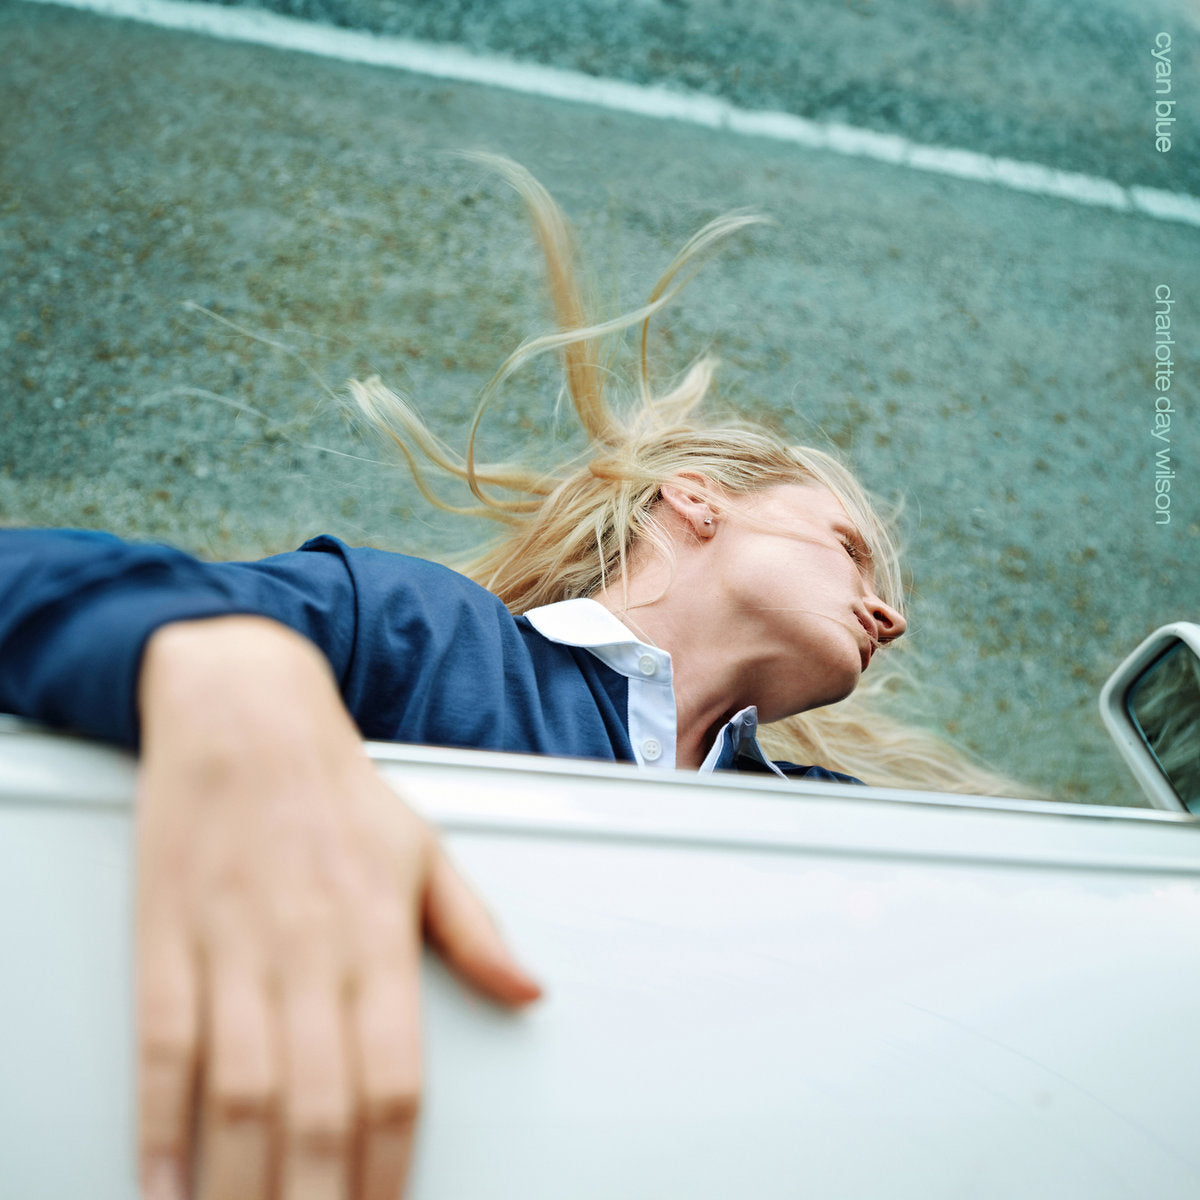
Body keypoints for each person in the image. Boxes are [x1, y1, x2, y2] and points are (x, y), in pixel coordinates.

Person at [0, 156, 1010, 1200]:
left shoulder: (852, 831)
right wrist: (224, 664)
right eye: (850, 551)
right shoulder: (424, 632)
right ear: (697, 499)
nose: (890, 615)